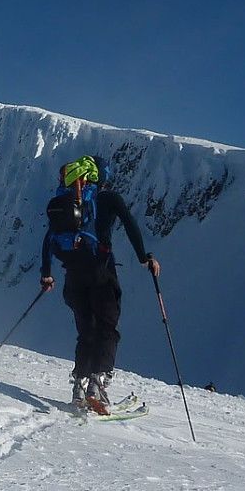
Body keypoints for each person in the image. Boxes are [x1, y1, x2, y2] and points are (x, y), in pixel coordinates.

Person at [39, 155, 160, 414]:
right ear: (101, 176)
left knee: (86, 330)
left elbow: (49, 237)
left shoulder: (65, 202)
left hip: (72, 275)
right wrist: (144, 258)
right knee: (107, 327)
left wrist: (46, 273)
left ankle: (79, 386)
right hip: (101, 272)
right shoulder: (108, 198)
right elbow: (130, 224)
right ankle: (98, 385)